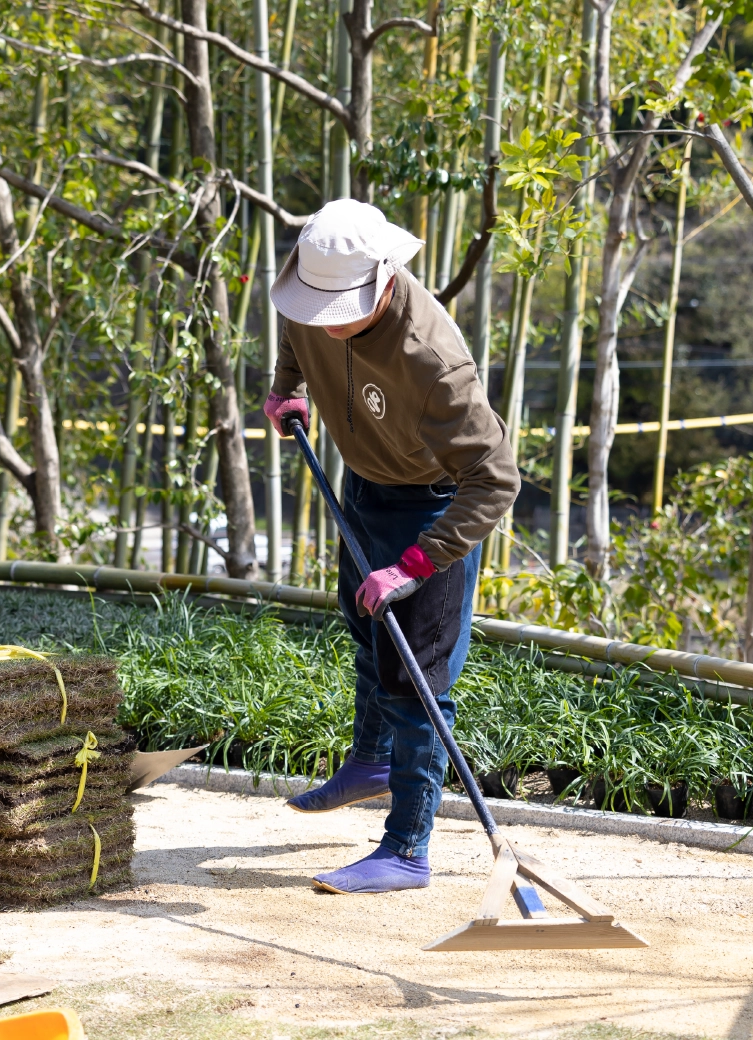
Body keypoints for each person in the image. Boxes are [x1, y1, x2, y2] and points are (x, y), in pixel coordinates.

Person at [265, 199, 520, 895]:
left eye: (341, 307)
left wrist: (413, 565)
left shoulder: (432, 358)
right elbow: (298, 327)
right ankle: (372, 761)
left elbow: (495, 481)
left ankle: (407, 849)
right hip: (365, 483)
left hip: (434, 508)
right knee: (363, 628)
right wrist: (288, 390)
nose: (328, 319)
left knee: (417, 681)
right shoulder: (312, 293)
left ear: (383, 277)